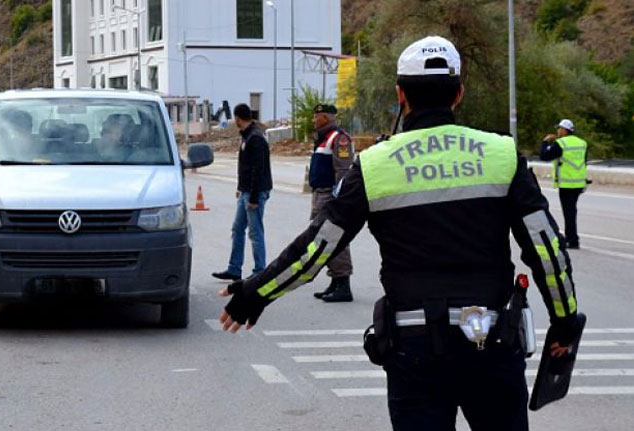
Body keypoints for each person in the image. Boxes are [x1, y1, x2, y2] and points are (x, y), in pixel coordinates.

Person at [218, 36, 580, 431]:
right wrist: (563, 321)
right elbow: (547, 249)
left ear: (400, 94)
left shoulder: (375, 165)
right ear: (458, 94)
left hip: (415, 348)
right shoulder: (501, 154)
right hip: (490, 341)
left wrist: (256, 293)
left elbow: (317, 249)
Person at [212, 103, 273, 281]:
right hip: (246, 191)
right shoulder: (247, 136)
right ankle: (234, 268)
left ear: (238, 118)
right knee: (238, 229)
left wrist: (253, 197)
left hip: (255, 193)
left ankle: (260, 271)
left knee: (255, 232)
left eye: (235, 119)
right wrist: (240, 187)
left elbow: (258, 170)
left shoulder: (255, 138)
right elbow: (246, 167)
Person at [308, 103, 355, 302]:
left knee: (334, 238)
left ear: (326, 118)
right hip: (319, 194)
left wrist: (339, 198)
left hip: (330, 195)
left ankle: (343, 283)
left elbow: (343, 171)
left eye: (316, 116)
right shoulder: (323, 139)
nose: (313, 120)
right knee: (322, 239)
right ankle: (335, 280)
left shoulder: (339, 138)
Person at [540, 119, 587, 249]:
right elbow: (584, 161)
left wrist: (545, 142)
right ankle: (571, 238)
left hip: (567, 183)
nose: (557, 131)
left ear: (565, 130)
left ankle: (573, 240)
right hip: (579, 183)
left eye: (559, 128)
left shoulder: (560, 143)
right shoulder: (582, 143)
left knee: (569, 212)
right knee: (571, 211)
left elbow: (544, 156)